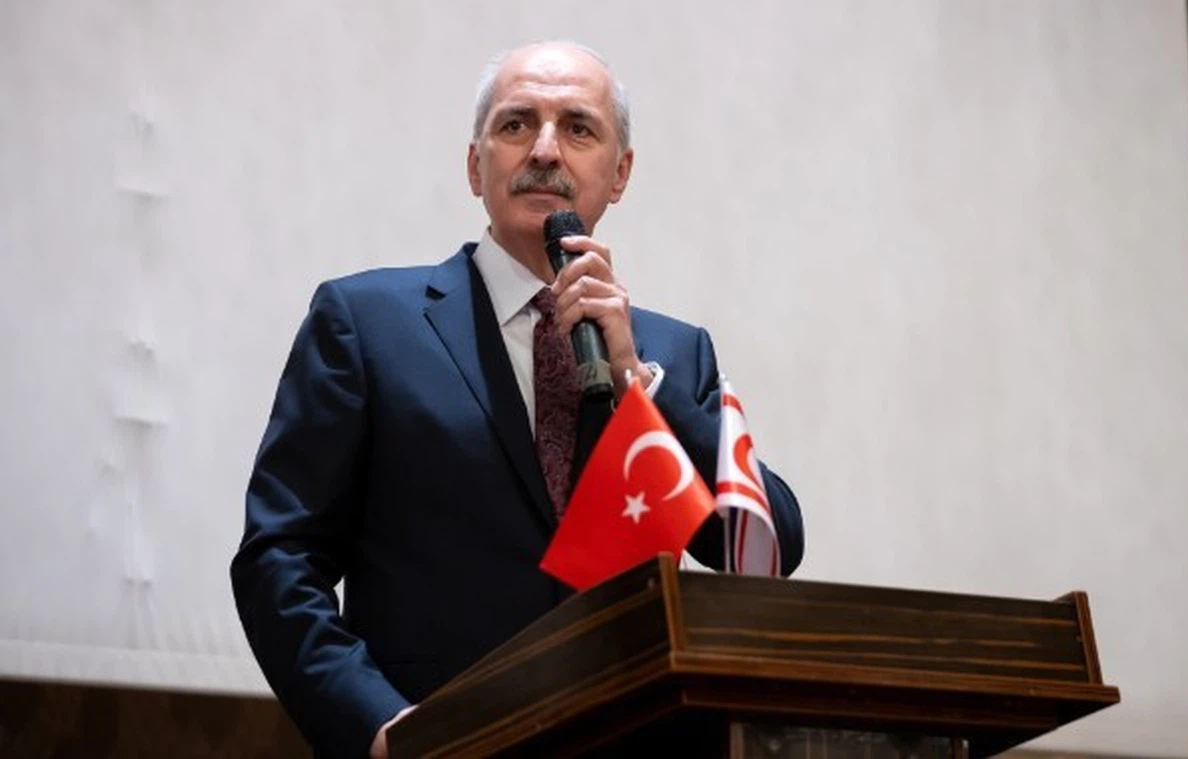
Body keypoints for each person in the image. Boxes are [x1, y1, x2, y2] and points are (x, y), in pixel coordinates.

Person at [230, 41, 804, 758]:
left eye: (578, 128)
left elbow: (766, 548)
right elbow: (280, 556)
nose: (545, 149)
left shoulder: (671, 353)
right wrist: (377, 724)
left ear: (620, 174)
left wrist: (635, 379)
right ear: (476, 166)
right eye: (516, 124)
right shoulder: (366, 324)